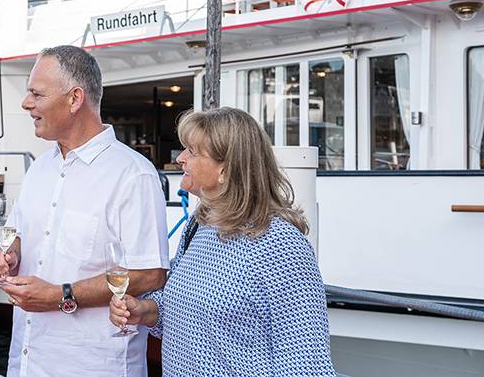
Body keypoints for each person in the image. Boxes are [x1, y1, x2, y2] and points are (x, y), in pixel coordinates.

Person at [0, 45, 170, 377]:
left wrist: (59, 295)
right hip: (27, 362)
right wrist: (6, 256)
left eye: (36, 94)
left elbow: (150, 274)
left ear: (74, 99)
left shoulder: (132, 175)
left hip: (94, 366)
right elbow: (19, 238)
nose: (26, 103)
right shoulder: (40, 168)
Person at [109, 107, 336, 377]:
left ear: (225, 169)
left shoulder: (281, 245)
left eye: (192, 151)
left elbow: (306, 364)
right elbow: (185, 316)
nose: (180, 159)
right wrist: (146, 311)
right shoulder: (200, 225)